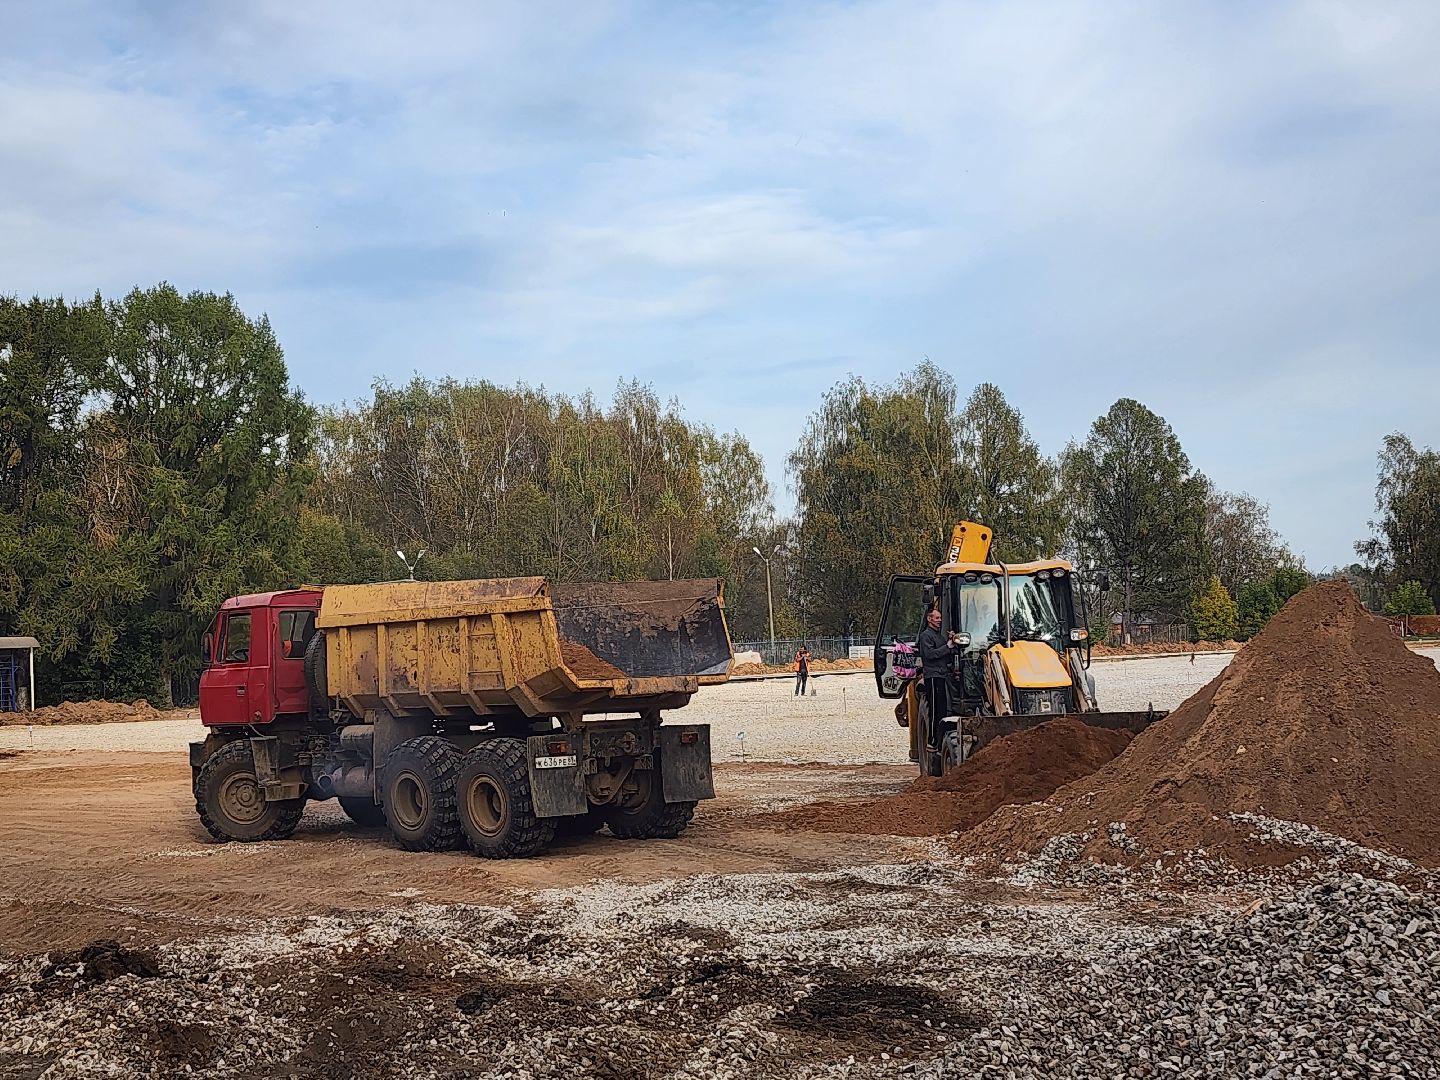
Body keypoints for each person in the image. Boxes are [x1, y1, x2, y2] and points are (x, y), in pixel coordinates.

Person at [917, 608, 961, 749]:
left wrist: (951, 642)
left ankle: (939, 738)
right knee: (935, 710)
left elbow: (945, 652)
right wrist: (947, 646)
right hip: (933, 677)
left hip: (941, 676)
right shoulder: (926, 636)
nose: (940, 620)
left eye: (940, 617)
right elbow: (930, 655)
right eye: (937, 618)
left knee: (942, 709)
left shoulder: (939, 637)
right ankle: (932, 740)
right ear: (929, 619)